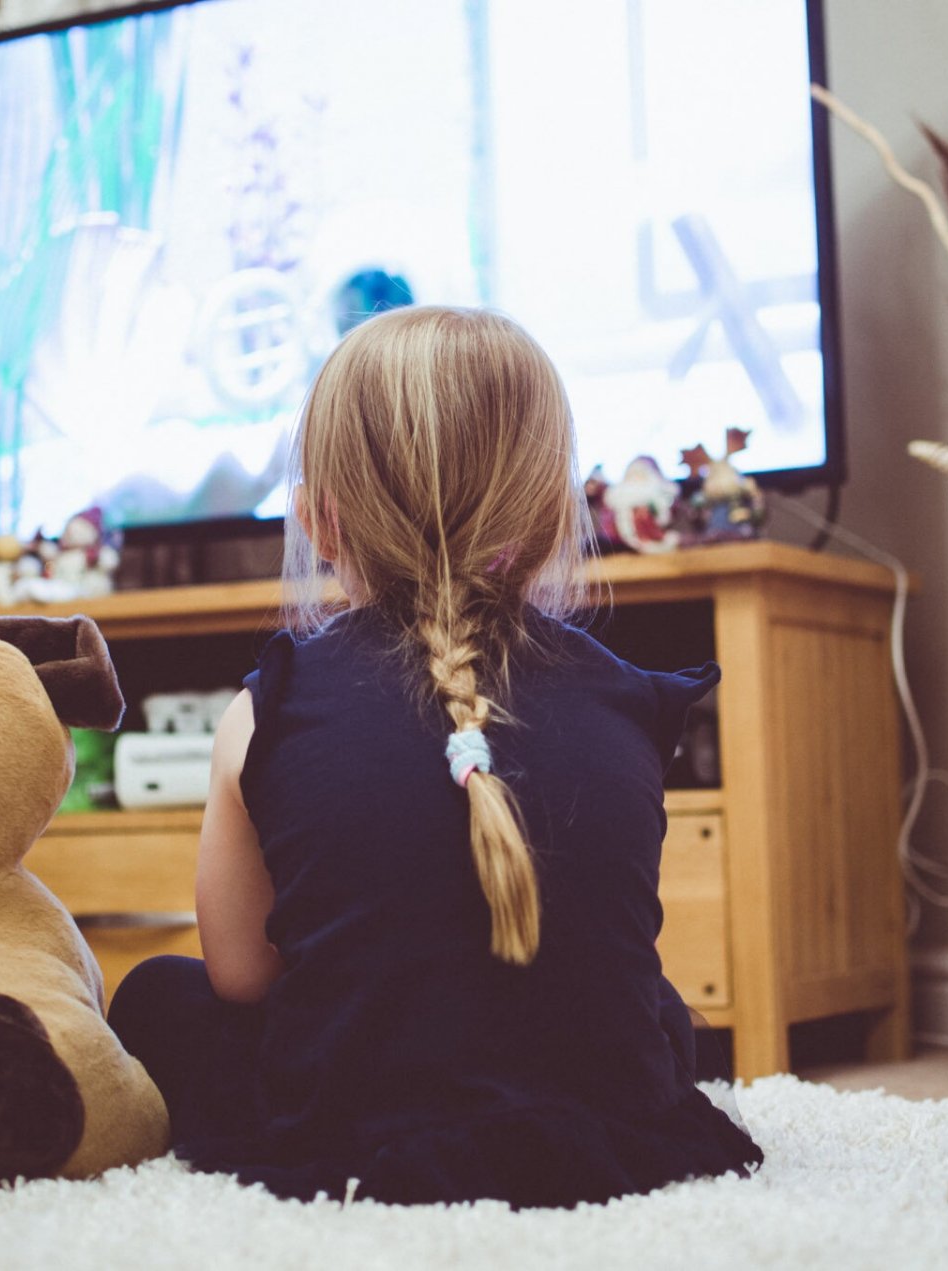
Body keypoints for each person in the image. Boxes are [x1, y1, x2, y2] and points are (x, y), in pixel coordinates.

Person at [107, 305, 763, 1207]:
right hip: (602, 1118)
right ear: (548, 513)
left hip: (359, 1132)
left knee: (156, 993)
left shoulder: (268, 709)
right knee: (653, 1004)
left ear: (319, 522)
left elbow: (242, 975)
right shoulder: (628, 696)